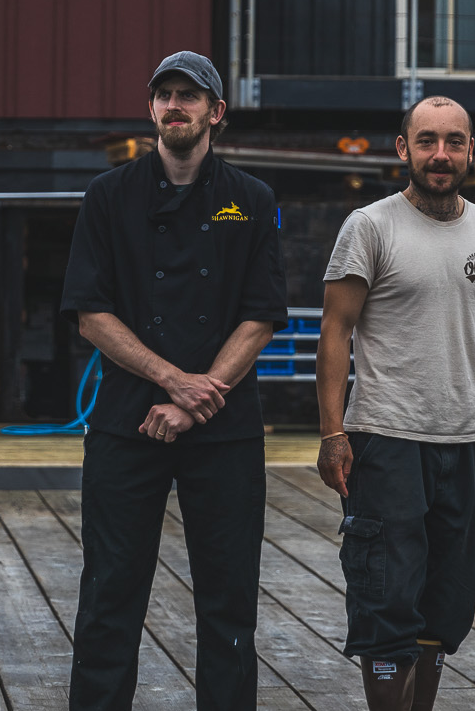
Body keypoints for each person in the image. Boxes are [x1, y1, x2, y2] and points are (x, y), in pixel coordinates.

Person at [60, 50, 286, 711]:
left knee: (228, 597)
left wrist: (199, 394)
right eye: (165, 94)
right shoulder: (109, 196)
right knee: (109, 594)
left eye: (191, 94)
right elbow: (89, 313)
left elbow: (261, 313)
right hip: (126, 422)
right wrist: (169, 379)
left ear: (216, 111)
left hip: (226, 430)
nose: (176, 104)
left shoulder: (251, 199)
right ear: (152, 108)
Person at [316, 95, 475, 711]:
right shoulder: (370, 226)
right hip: (387, 437)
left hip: (465, 441)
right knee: (387, 594)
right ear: (403, 149)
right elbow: (335, 331)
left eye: (454, 141)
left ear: (471, 150)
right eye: (426, 141)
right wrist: (332, 433)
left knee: (448, 598)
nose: (440, 154)